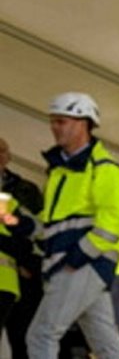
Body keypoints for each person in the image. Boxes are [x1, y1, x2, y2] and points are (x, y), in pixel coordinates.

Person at [27, 92, 119, 359]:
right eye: (53, 121)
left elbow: (114, 221)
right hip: (71, 263)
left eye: (61, 121)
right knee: (105, 342)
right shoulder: (59, 169)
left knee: (41, 335)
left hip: (83, 263)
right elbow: (53, 224)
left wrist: (80, 254)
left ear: (83, 123)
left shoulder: (105, 168)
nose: (54, 127)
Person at [1, 137, 39, 339]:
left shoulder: (23, 190)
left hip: (17, 276)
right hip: (10, 275)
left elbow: (32, 228)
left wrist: (26, 261)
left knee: (22, 336)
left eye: (2, 151)